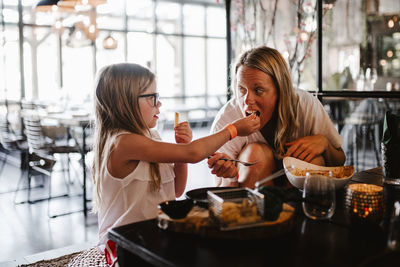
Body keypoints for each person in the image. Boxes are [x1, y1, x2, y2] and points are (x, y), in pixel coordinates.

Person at [92, 63, 260, 256]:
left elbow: (177, 189)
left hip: (152, 236)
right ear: (124, 103)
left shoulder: (151, 136)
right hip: (124, 246)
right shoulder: (121, 143)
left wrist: (181, 147)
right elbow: (193, 153)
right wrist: (234, 129)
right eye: (152, 98)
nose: (159, 104)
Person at [208, 46, 346, 189]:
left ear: (280, 90)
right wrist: (229, 176)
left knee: (314, 161)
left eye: (258, 90)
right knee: (254, 155)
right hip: (251, 196)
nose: (247, 100)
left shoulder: (305, 104)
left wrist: (325, 144)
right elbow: (221, 191)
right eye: (242, 89)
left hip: (299, 194)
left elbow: (339, 162)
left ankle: (303, 209)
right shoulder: (227, 119)